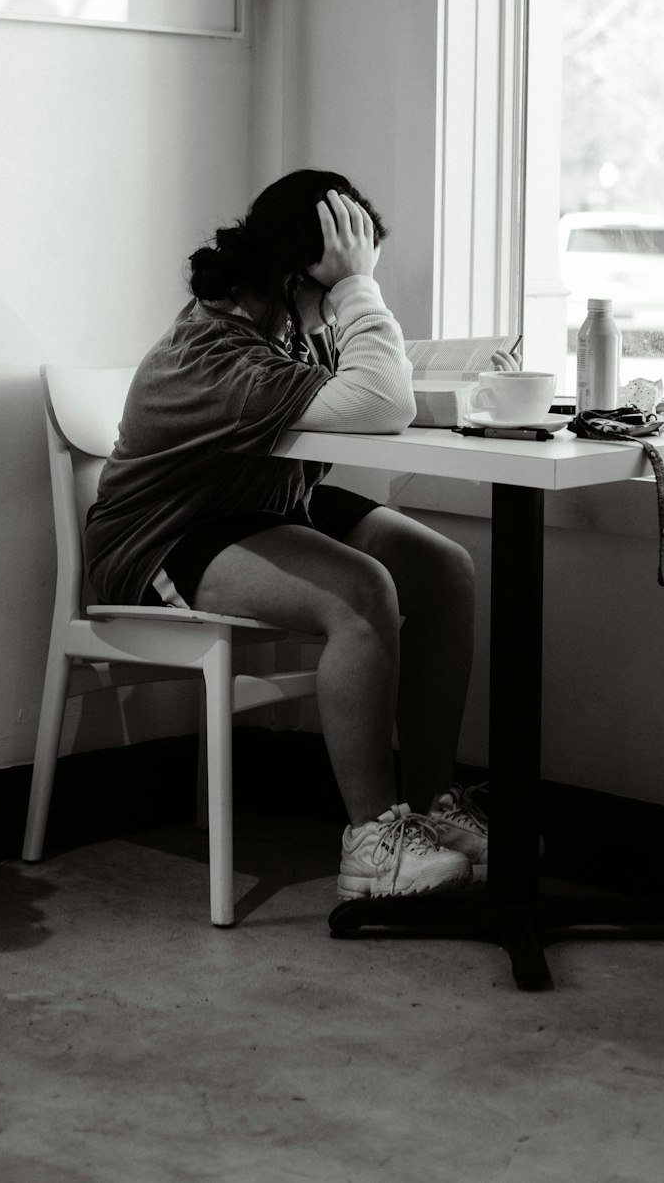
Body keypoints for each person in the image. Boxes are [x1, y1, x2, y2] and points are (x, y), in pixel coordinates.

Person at [85, 169, 488, 902]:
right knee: (362, 591)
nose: (342, 301)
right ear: (295, 275)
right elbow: (379, 403)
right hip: (165, 535)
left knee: (444, 568)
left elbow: (372, 396)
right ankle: (372, 843)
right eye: (334, 284)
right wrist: (360, 292)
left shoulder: (280, 329)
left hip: (264, 505)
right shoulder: (216, 357)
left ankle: (430, 810)